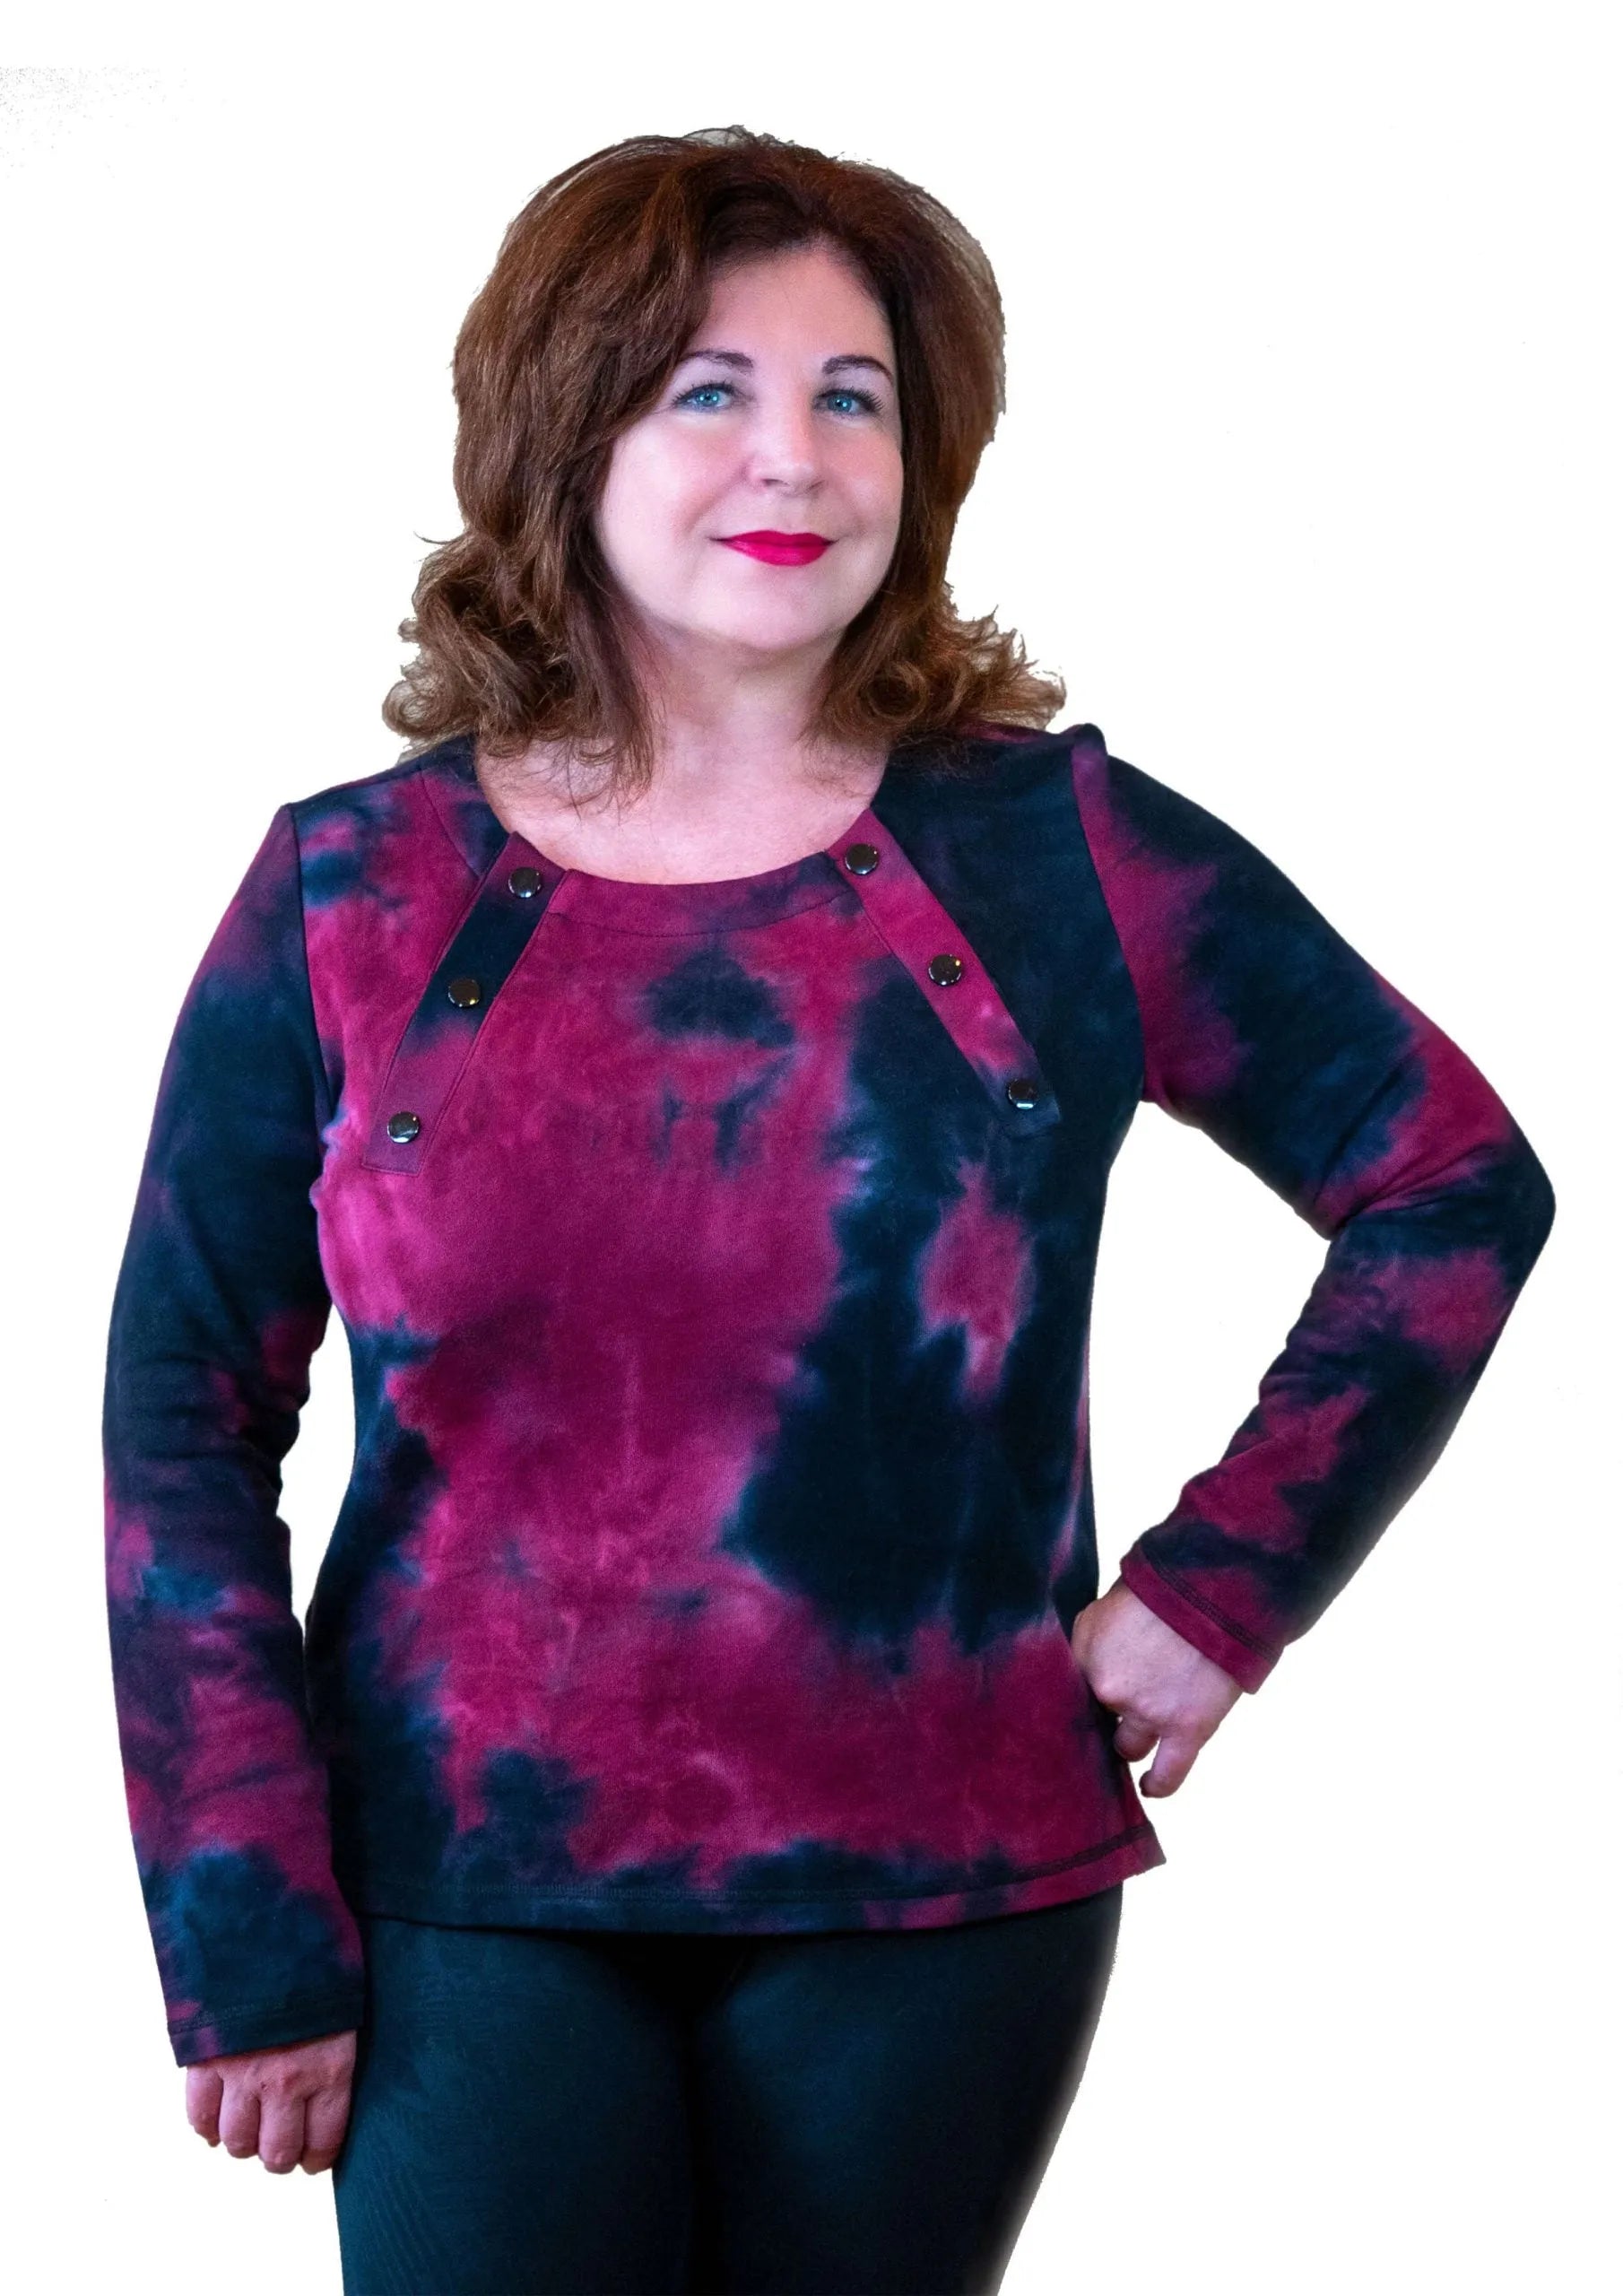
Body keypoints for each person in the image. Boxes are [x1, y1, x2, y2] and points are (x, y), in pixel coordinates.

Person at [102, 126, 1556, 2296]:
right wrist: (238, 1910)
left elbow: (1445, 1178)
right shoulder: (349, 890)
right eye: (710, 388)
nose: (792, 454)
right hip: (456, 1882)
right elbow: (180, 1419)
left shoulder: (1064, 849)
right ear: (565, 430)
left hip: (941, 1889)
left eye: (849, 395)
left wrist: (1221, 1585)